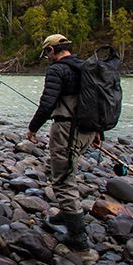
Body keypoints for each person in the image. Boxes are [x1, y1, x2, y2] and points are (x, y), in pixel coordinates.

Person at [27, 34, 100, 252]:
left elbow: (47, 103)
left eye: (46, 53)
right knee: (59, 169)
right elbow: (97, 101)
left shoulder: (57, 70)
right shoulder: (86, 67)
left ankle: (78, 239)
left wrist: (33, 128)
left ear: (51, 50)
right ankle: (66, 214)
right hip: (88, 130)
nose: (47, 57)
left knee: (63, 180)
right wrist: (98, 132)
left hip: (67, 130)